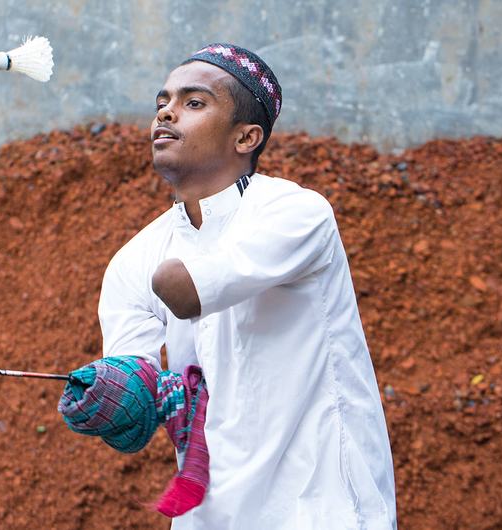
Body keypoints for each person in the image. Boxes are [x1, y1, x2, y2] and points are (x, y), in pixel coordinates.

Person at [97, 43, 397, 529]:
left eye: (194, 103)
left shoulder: (297, 212)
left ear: (246, 137)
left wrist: (145, 382)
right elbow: (133, 391)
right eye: (162, 103)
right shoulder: (132, 259)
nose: (167, 113)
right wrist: (114, 400)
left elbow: (188, 287)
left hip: (321, 503)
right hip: (209, 516)